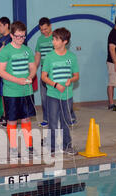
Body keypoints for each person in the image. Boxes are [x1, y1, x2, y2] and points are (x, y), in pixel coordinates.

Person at [0, 21, 37, 159]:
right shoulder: (6, 51)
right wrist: (17, 80)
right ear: (12, 35)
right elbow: (0, 71)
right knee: (12, 120)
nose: (21, 39)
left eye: (23, 36)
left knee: (26, 118)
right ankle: (13, 148)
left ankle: (29, 146)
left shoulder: (27, 50)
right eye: (18, 36)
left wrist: (30, 77)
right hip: (11, 92)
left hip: (27, 91)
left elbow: (33, 67)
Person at [41, 27, 79, 155]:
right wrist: (55, 84)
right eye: (53, 39)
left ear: (65, 41)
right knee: (52, 121)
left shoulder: (71, 57)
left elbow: (76, 75)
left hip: (67, 96)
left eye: (56, 39)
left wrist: (71, 80)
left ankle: (67, 145)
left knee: (66, 121)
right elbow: (43, 76)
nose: (53, 42)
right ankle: (51, 146)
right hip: (52, 95)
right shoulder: (49, 57)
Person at [35, 17, 54, 127]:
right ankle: (46, 118)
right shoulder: (40, 40)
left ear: (50, 26)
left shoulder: (56, 37)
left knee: (59, 95)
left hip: (56, 70)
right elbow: (38, 55)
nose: (44, 31)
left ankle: (69, 116)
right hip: (44, 70)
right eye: (41, 29)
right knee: (44, 96)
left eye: (45, 29)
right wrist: (34, 69)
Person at [0, 16, 12, 126]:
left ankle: (9, 116)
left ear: (6, 25)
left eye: (0, 25)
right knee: (2, 94)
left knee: (8, 94)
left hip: (8, 70)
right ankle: (4, 115)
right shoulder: (1, 39)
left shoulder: (11, 39)